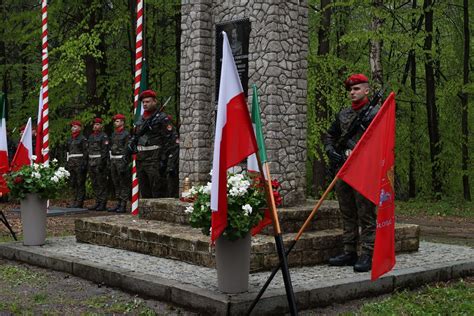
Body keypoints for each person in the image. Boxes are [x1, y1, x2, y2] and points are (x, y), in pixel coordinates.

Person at [324, 73, 380, 273]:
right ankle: (349, 251)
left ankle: (367, 253)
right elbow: (330, 135)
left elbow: (381, 141)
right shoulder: (344, 114)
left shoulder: (376, 114)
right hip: (344, 171)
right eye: (350, 89)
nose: (352, 92)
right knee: (347, 212)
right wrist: (331, 150)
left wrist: (357, 150)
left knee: (366, 213)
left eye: (356, 89)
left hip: (365, 171)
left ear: (367, 90)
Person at [130, 89, 176, 198]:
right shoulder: (140, 120)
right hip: (141, 160)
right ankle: (146, 215)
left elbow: (171, 141)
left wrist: (165, 160)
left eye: (148, 101)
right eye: (143, 102)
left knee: (158, 192)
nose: (145, 104)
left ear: (155, 102)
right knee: (145, 193)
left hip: (155, 160)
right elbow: (136, 137)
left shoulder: (162, 118)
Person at [108, 114, 131, 213]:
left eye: (117, 121)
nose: (115, 123)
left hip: (121, 160)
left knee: (123, 183)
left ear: (122, 122)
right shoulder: (113, 134)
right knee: (115, 182)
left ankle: (123, 204)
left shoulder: (126, 134)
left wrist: (125, 161)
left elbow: (127, 148)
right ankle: (118, 202)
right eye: (115, 121)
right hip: (113, 160)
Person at [87, 117, 109, 211]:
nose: (95, 126)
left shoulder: (103, 136)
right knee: (94, 183)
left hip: (99, 163)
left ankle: (102, 203)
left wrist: (102, 163)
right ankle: (97, 202)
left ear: (101, 126)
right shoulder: (91, 136)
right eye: (94, 124)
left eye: (97, 124)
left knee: (101, 183)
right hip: (91, 162)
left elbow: (105, 151)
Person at [66, 120, 88, 208]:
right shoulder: (70, 139)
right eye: (72, 127)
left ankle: (79, 202)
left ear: (79, 128)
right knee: (72, 183)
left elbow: (85, 152)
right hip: (71, 164)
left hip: (79, 163)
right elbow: (67, 152)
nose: (72, 128)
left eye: (75, 127)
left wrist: (84, 163)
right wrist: (67, 162)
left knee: (80, 183)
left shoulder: (83, 139)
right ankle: (73, 200)